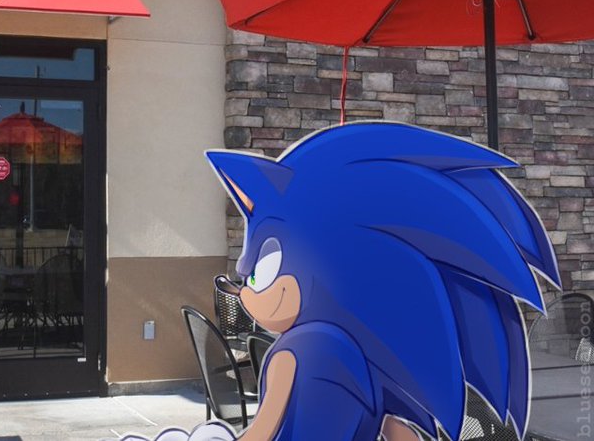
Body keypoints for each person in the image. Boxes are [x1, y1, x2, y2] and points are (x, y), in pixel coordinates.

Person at [178, 122, 558, 441]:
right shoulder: (370, 360)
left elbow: (260, 434)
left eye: (260, 273)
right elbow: (398, 431)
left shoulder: (291, 354)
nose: (246, 291)